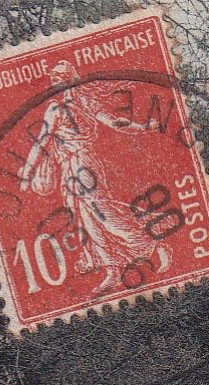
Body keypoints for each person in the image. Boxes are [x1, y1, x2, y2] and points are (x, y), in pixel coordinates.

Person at [18, 61, 170, 295]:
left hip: (82, 164)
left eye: (60, 79)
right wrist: (142, 127)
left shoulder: (64, 108)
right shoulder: (75, 105)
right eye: (55, 79)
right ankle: (112, 269)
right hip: (73, 166)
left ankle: (150, 244)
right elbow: (45, 141)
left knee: (103, 213)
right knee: (85, 218)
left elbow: (42, 143)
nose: (57, 84)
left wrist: (28, 173)